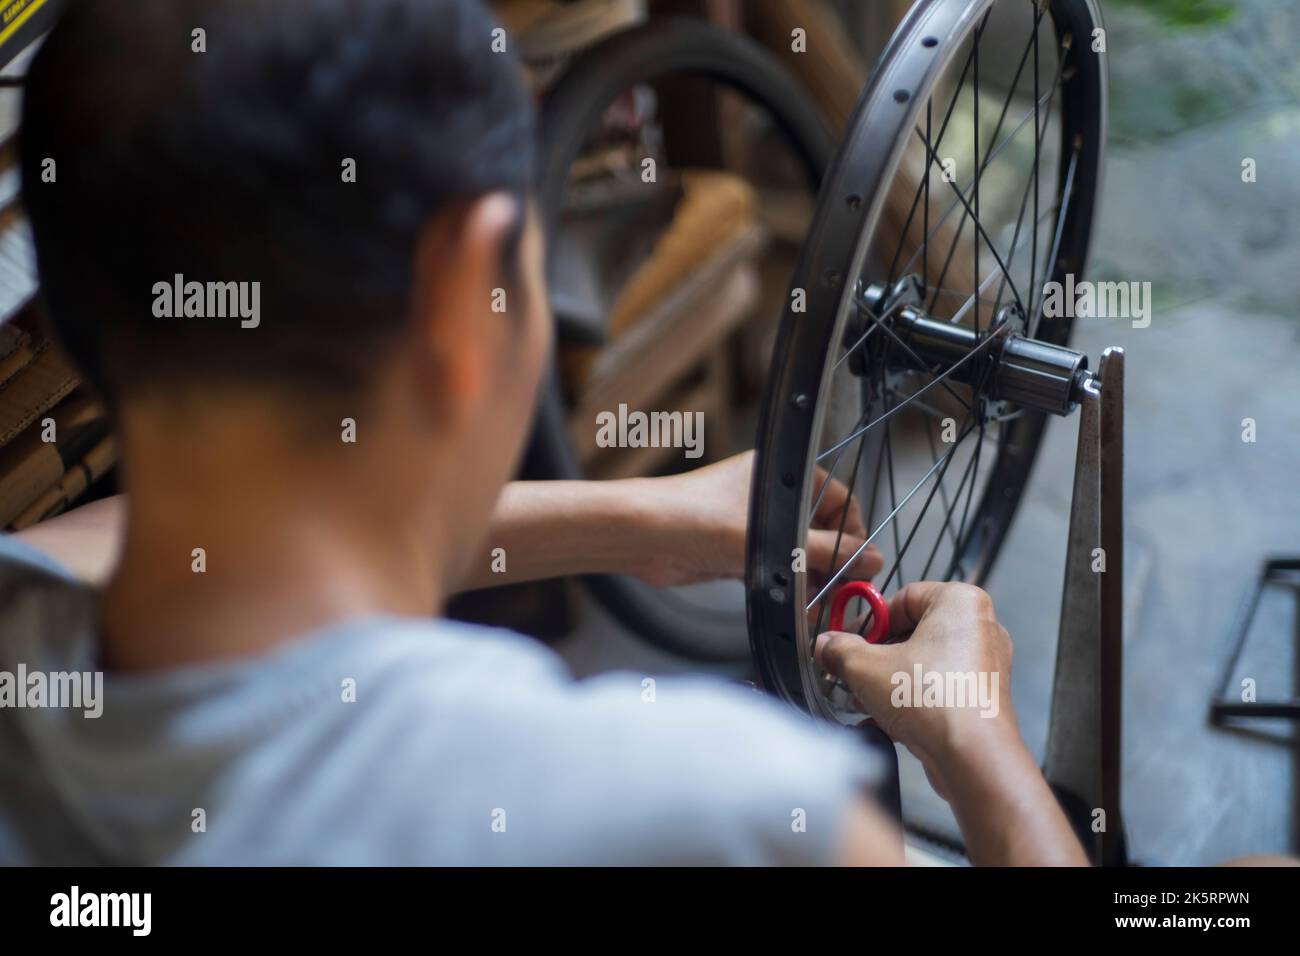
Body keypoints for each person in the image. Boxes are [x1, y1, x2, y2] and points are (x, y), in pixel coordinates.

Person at [0, 0, 1086, 866]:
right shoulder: (720, 809)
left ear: (65, 322)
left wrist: (632, 518)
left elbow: (103, 540)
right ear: (464, 286)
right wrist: (980, 747)